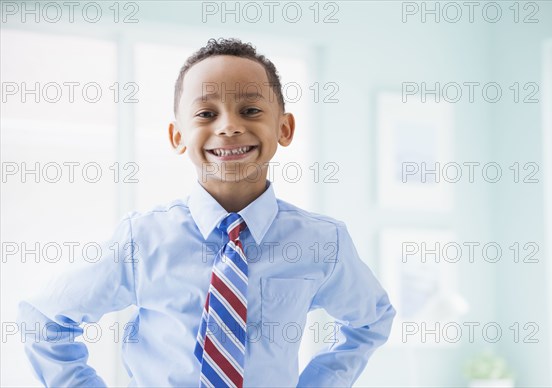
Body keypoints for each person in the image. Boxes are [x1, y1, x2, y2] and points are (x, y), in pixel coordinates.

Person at [17, 37, 396, 387]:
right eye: (205, 114)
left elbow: (371, 319)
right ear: (177, 136)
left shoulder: (321, 242)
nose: (229, 126)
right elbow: (44, 319)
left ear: (284, 128)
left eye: (250, 109)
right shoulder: (143, 239)